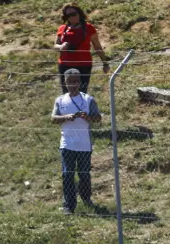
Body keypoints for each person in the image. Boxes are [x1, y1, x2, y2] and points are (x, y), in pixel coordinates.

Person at [52, 69, 102, 215]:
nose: (73, 85)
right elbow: (53, 119)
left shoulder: (88, 100)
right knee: (67, 174)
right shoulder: (60, 100)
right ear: (65, 82)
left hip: (84, 145)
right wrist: (67, 117)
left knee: (84, 174)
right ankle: (69, 205)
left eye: (76, 82)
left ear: (80, 82)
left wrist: (88, 117)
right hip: (67, 144)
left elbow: (98, 118)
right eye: (70, 82)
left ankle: (86, 199)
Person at [55, 4, 110, 95]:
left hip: (83, 66)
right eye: (68, 15)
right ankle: (68, 109)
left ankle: (81, 109)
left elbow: (97, 46)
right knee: (66, 94)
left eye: (74, 14)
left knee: (81, 93)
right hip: (65, 65)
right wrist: (61, 47)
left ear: (79, 13)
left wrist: (105, 63)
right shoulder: (62, 28)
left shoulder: (89, 28)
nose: (71, 17)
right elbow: (55, 46)